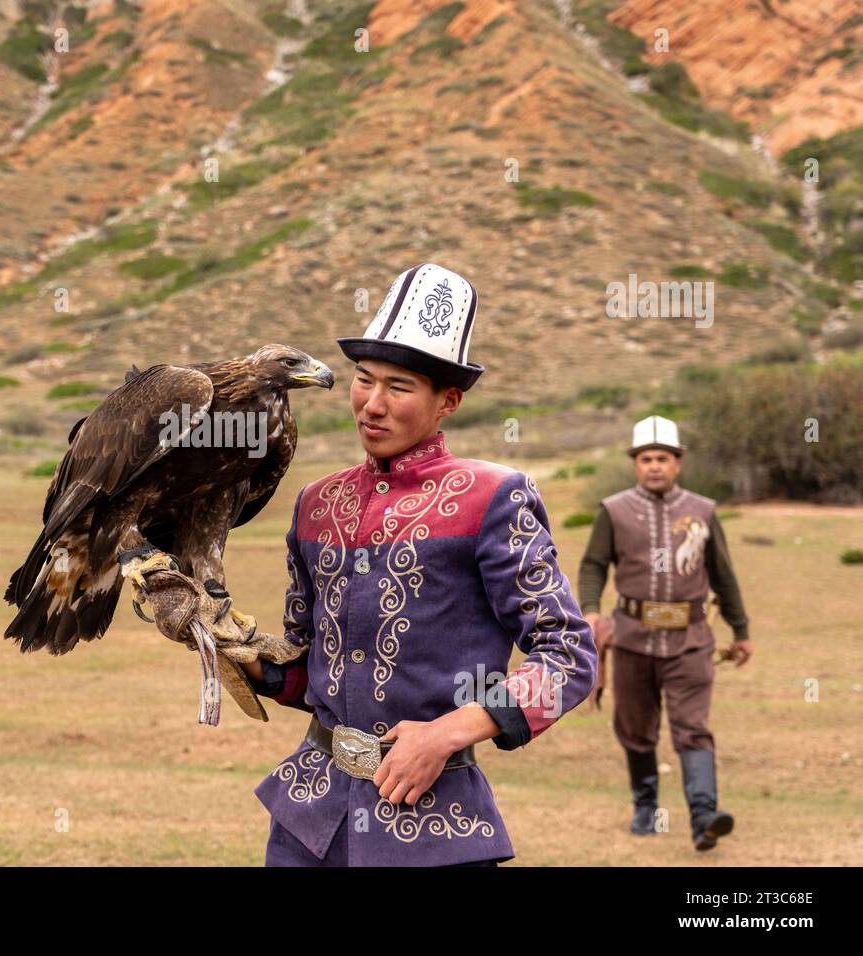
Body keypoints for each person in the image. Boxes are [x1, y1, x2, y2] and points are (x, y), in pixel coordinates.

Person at [241, 262, 598, 866]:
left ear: (448, 401)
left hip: (433, 829)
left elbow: (569, 657)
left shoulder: (494, 499)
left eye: (399, 387)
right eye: (363, 379)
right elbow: (311, 668)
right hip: (308, 821)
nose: (371, 405)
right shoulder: (315, 504)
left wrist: (446, 733)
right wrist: (258, 665)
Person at [577, 415, 750, 851]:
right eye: (647, 458)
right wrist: (592, 611)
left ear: (679, 463)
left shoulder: (704, 511)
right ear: (637, 463)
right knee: (635, 727)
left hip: (691, 640)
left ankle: (704, 818)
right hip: (632, 638)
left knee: (692, 728)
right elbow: (594, 565)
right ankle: (646, 806)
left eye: (664, 458)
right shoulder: (613, 510)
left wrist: (741, 629)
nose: (655, 466)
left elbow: (723, 575)